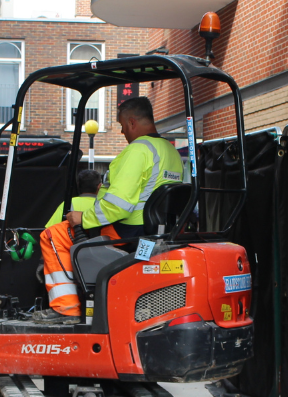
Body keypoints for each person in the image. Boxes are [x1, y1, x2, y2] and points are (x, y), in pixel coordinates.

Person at [37, 97, 183, 322]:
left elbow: (118, 204)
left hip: (129, 231)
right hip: (158, 231)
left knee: (53, 235)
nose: (123, 132)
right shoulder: (171, 152)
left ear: (132, 122)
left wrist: (84, 218)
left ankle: (66, 309)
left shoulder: (139, 150)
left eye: (123, 126)